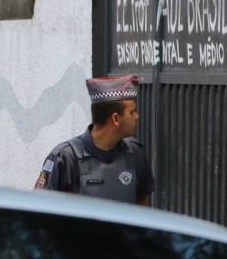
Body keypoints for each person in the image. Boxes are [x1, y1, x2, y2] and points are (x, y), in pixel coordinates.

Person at [35, 74, 155, 205]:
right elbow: (39, 212)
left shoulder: (135, 153)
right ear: (115, 119)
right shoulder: (66, 157)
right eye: (132, 112)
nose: (137, 116)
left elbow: (144, 211)